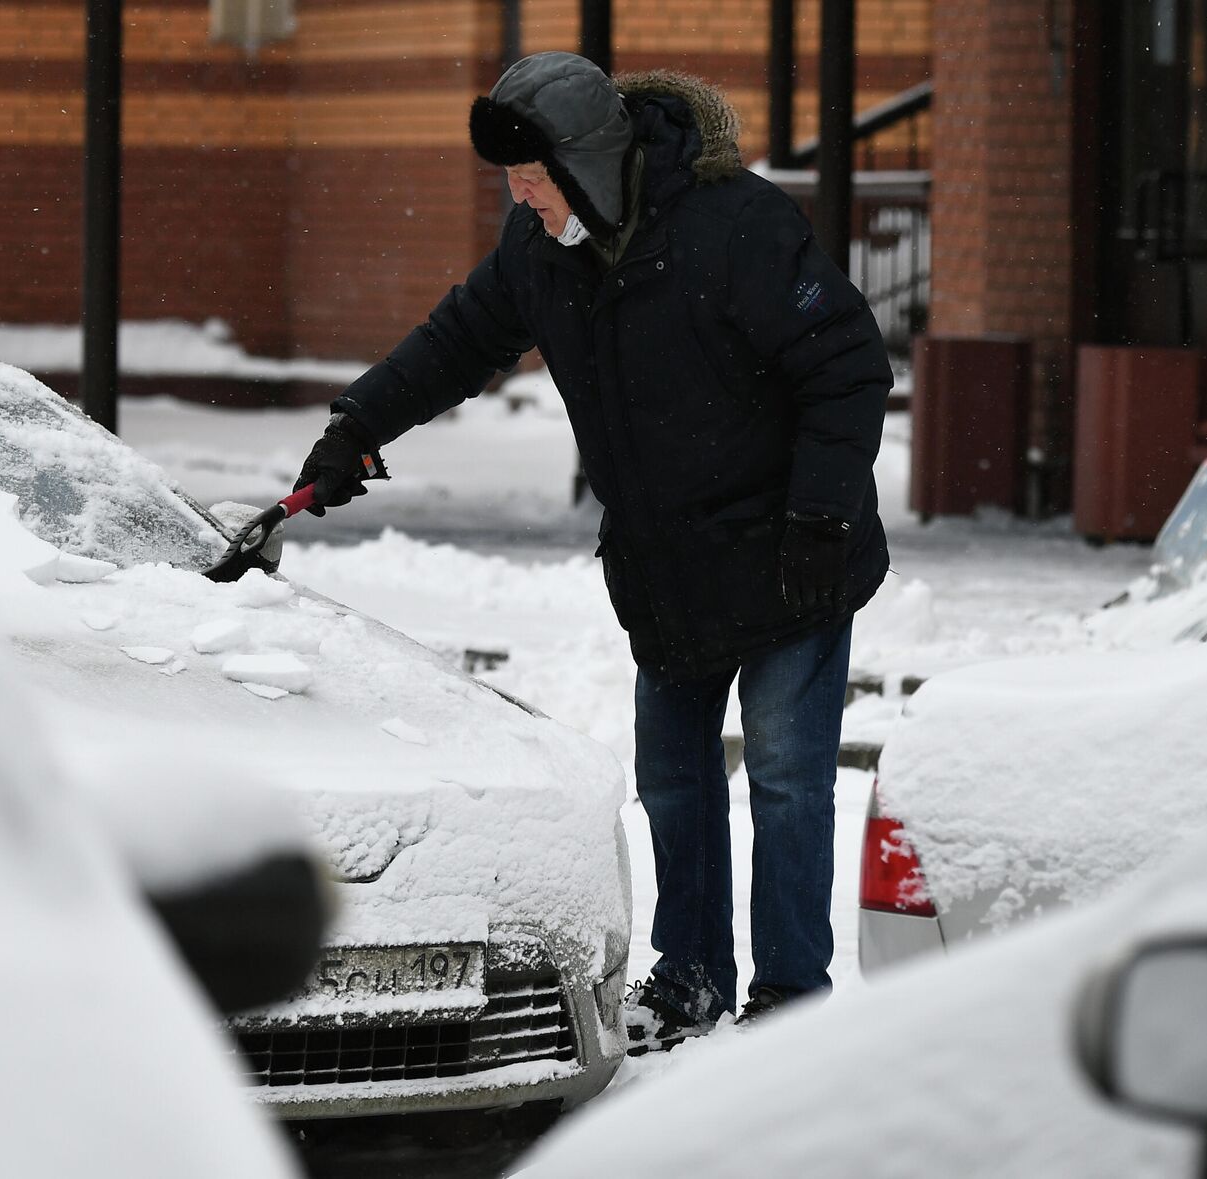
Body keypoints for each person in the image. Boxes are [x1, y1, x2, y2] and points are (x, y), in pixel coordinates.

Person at [294, 51, 892, 1053]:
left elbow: (847, 368)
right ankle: (692, 976)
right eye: (515, 185)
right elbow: (457, 341)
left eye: (533, 179)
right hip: (669, 569)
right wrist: (360, 425)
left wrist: (823, 518)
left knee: (788, 780)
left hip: (793, 551)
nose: (522, 199)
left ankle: (792, 999)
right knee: (673, 781)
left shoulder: (737, 226)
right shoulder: (542, 253)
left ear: (590, 162)